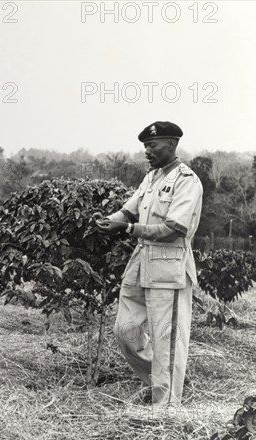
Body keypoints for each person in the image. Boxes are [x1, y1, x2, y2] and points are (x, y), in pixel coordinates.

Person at [96, 121, 203, 405]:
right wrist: (111, 221)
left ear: (171, 144)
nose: (147, 151)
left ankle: (166, 410)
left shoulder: (186, 180)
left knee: (167, 341)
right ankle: (166, 382)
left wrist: (129, 230)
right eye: (145, 145)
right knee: (125, 332)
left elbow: (173, 229)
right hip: (140, 263)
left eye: (152, 145)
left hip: (169, 266)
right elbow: (128, 211)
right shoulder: (151, 178)